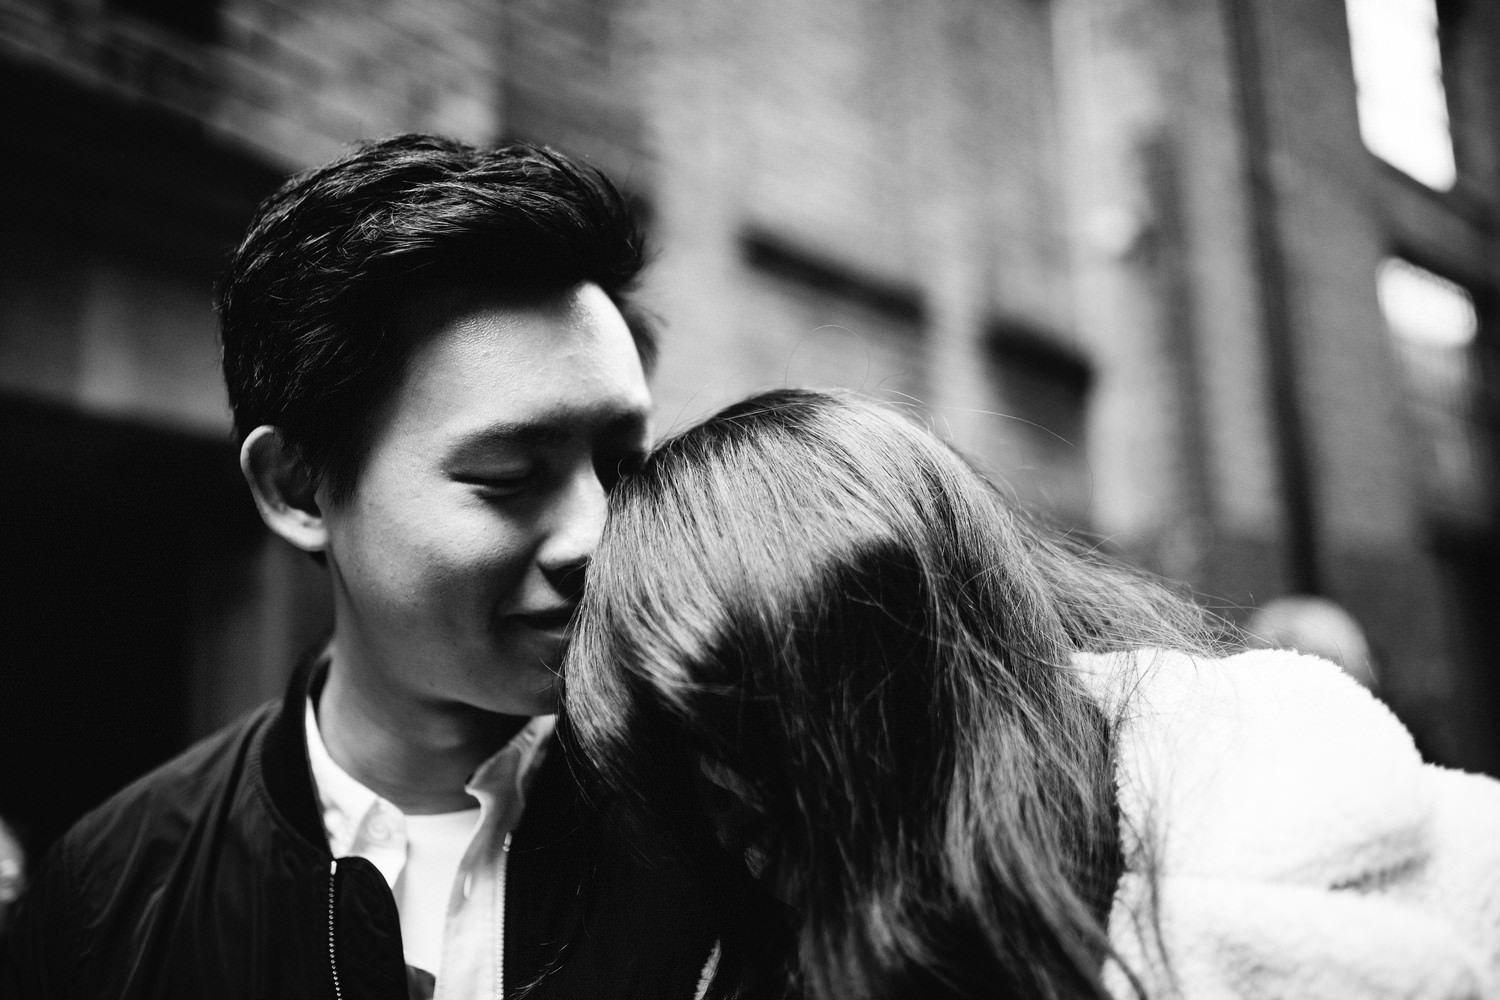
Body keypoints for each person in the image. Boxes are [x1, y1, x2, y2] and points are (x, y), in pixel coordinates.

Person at [1, 134, 718, 999]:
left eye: (622, 466)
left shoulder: (737, 827)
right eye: (509, 477)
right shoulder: (105, 900)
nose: (595, 535)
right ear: (298, 489)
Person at [562, 388, 1500, 1000]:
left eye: (756, 748)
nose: (734, 824)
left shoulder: (1440, 872)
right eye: (692, 773)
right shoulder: (753, 948)